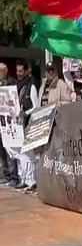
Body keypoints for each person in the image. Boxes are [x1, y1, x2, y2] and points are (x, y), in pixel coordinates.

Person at [12, 62, 38, 191]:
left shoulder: (31, 85)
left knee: (28, 152)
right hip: (17, 124)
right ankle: (23, 178)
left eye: (21, 71)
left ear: (27, 71)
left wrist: (25, 113)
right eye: (17, 71)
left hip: (27, 122)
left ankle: (31, 180)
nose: (19, 73)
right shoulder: (17, 85)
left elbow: (36, 106)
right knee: (19, 152)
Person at [0, 63, 18, 186]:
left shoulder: (12, 83)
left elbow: (14, 99)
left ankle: (14, 175)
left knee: (9, 148)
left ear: (6, 71)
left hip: (9, 120)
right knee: (2, 148)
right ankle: (6, 173)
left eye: (1, 70)